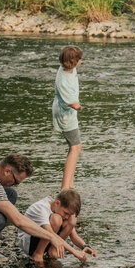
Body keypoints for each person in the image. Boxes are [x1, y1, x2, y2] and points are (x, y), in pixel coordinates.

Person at [17, 188, 97, 263]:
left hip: (46, 237)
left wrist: (84, 247)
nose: (66, 216)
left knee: (72, 220)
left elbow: (74, 236)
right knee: (56, 219)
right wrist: (74, 252)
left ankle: (52, 251)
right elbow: (50, 233)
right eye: (65, 213)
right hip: (28, 241)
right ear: (57, 203)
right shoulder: (41, 208)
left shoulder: (58, 209)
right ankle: (38, 254)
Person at [52, 45, 83, 190]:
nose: (81, 61)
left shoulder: (67, 68)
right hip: (65, 116)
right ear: (73, 63)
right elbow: (72, 103)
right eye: (79, 59)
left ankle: (70, 183)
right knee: (75, 147)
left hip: (67, 115)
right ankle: (66, 186)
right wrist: (78, 106)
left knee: (75, 147)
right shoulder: (63, 80)